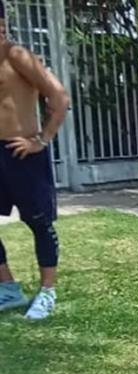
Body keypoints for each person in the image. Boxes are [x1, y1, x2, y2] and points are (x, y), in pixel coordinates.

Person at [0, 2, 71, 320]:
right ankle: (9, 289)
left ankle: (47, 292)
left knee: (39, 223)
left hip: (22, 153)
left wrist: (41, 140)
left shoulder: (17, 56)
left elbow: (58, 97)